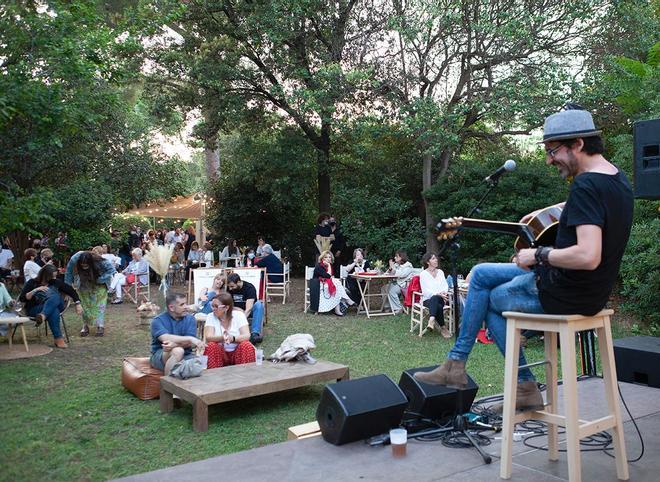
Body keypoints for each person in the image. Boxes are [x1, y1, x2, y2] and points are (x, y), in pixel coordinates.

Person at [414, 107, 634, 413]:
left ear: (578, 144)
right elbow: (589, 214)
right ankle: (459, 364)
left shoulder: (586, 186)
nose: (548, 160)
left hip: (565, 292)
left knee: (490, 299)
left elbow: (587, 255)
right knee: (479, 274)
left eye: (553, 151)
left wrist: (539, 254)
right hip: (588, 290)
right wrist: (544, 215)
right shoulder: (616, 179)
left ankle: (520, 384)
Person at [19, 264, 82, 348]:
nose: (54, 278)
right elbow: (22, 298)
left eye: (55, 276)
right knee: (54, 310)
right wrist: (35, 290)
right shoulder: (32, 282)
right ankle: (58, 339)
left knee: (55, 296)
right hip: (36, 309)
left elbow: (71, 291)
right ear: (45, 276)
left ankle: (43, 316)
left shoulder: (56, 282)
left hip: (51, 307)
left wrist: (78, 304)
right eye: (52, 276)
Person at [150, 292, 206, 375]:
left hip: (187, 355)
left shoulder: (190, 319)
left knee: (200, 366)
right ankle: (168, 384)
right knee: (178, 351)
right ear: (172, 308)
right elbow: (166, 338)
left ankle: (181, 374)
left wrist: (176, 344)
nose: (186, 307)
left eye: (186, 303)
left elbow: (189, 344)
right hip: (161, 355)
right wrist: (190, 339)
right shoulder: (157, 321)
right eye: (182, 304)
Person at [65, 250, 116, 337]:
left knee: (100, 305)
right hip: (83, 283)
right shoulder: (74, 260)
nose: (84, 266)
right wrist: (66, 290)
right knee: (85, 305)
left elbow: (112, 270)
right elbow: (68, 274)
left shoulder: (100, 261)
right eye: (82, 265)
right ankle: (85, 326)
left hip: (99, 283)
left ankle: (100, 326)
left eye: (86, 265)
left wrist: (101, 279)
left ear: (91, 262)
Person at [203, 292, 256, 368]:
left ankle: (244, 375)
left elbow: (247, 336)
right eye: (212, 306)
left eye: (216, 306)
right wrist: (223, 337)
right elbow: (209, 337)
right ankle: (214, 377)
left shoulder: (239, 315)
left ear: (226, 308)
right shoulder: (210, 316)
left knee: (246, 345)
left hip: (237, 352)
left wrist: (233, 338)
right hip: (219, 353)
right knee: (211, 346)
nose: (213, 309)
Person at [312, 250, 355, 316]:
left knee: (336, 285)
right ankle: (346, 301)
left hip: (326, 284)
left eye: (329, 257)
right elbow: (328, 276)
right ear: (322, 258)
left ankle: (338, 308)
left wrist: (333, 277)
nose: (328, 259)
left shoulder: (329, 266)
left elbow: (331, 277)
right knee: (336, 284)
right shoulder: (319, 266)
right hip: (318, 285)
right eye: (326, 257)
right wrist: (329, 266)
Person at [419, 252, 451, 338]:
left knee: (436, 299)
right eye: (433, 258)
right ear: (427, 262)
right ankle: (443, 328)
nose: (436, 259)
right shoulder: (423, 274)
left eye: (436, 258)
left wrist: (442, 293)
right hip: (427, 299)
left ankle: (431, 320)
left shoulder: (440, 272)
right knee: (437, 304)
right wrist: (437, 294)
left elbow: (445, 286)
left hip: (442, 298)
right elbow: (425, 291)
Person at [226, 273, 265, 344]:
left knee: (258, 305)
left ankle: (254, 334)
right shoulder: (229, 289)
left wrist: (241, 319)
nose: (230, 289)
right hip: (235, 311)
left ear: (238, 282)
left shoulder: (249, 288)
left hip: (248, 312)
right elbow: (228, 304)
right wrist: (238, 309)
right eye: (229, 287)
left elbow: (249, 309)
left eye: (232, 286)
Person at [382, 250, 415, 314]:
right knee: (384, 288)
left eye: (396, 256)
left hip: (404, 285)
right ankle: (388, 306)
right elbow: (387, 273)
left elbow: (401, 275)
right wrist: (390, 268)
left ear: (401, 257)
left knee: (391, 290)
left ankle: (398, 308)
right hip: (396, 283)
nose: (395, 258)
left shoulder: (408, 266)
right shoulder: (397, 265)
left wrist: (393, 269)